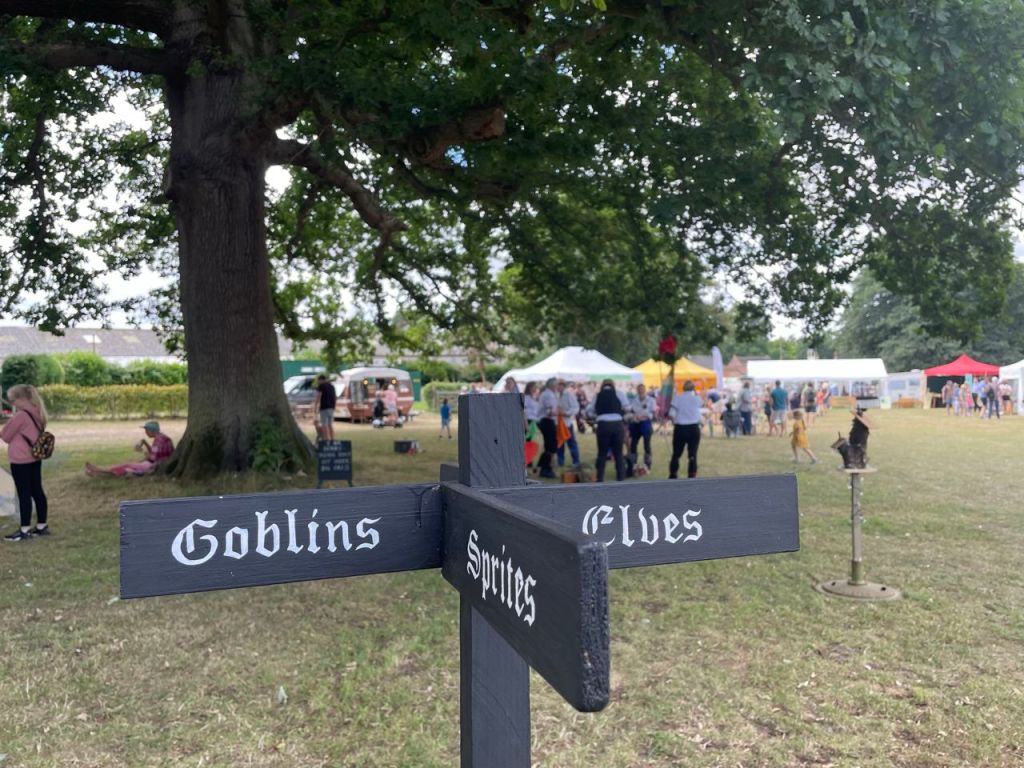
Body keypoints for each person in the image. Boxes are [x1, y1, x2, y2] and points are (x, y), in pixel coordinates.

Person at [2, 385, 50, 541]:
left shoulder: (21, 415)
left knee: (24, 494)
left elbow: (5, 436)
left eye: (13, 400)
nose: (12, 404)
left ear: (22, 399)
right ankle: (42, 526)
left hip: (20, 459)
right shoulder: (38, 411)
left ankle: (24, 529)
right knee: (37, 491)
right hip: (35, 457)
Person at [85, 421, 174, 478]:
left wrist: (144, 453)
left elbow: (152, 458)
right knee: (126, 468)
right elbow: (156, 453)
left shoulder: (159, 440)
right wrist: (145, 443)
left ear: (152, 430)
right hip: (155, 464)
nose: (145, 432)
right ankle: (98, 472)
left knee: (126, 467)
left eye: (147, 430)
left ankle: (98, 471)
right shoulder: (162, 437)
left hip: (154, 466)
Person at [591, 379, 627, 482]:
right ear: (613, 385)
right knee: (618, 453)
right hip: (617, 424)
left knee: (602, 453)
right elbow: (627, 407)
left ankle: (600, 478)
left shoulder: (597, 395)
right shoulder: (619, 393)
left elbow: (590, 410)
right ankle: (621, 478)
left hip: (603, 425)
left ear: (602, 386)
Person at [667, 379, 703, 479]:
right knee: (692, 454)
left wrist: (674, 420)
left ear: (683, 388)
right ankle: (692, 475)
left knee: (676, 454)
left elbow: (671, 413)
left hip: (680, 428)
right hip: (694, 428)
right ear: (693, 388)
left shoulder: (677, 398)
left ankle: (673, 475)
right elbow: (700, 406)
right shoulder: (697, 399)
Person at [625, 383, 657, 474]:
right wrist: (634, 417)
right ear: (637, 391)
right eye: (639, 390)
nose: (640, 391)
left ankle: (647, 465)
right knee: (633, 444)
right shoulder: (634, 400)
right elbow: (630, 411)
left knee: (647, 445)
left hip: (646, 423)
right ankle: (633, 465)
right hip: (635, 423)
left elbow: (653, 413)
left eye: (642, 389)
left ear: (645, 390)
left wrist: (645, 417)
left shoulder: (651, 400)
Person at [536, 378, 559, 479]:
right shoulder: (548, 395)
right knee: (550, 446)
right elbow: (550, 412)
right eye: (556, 385)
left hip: (546, 421)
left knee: (549, 446)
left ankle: (542, 467)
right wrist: (560, 413)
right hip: (547, 421)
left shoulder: (548, 394)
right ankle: (546, 469)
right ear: (552, 385)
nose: (557, 387)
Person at [555, 380, 581, 468]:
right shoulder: (556, 395)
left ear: (563, 386)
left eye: (559, 385)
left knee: (571, 443)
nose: (557, 387)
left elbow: (576, 408)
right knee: (559, 442)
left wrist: (566, 413)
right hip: (558, 423)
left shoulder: (569, 395)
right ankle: (560, 461)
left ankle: (576, 461)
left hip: (567, 423)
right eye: (557, 385)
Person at [312, 374, 336, 441]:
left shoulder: (321, 386)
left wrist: (315, 406)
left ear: (321, 380)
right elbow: (334, 397)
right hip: (331, 407)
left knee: (324, 425)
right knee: (330, 424)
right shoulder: (331, 386)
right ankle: (332, 440)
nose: (318, 382)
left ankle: (326, 440)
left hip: (324, 407)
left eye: (318, 381)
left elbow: (318, 396)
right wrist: (334, 406)